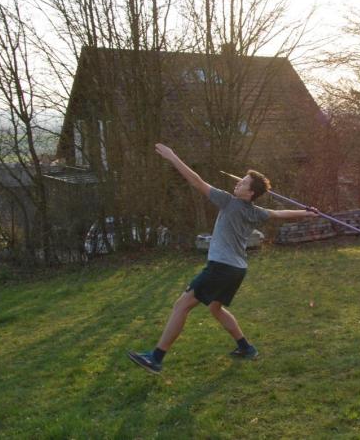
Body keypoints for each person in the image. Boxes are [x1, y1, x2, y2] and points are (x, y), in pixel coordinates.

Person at [128, 143, 317, 375]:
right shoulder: (255, 212)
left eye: (244, 182)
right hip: (238, 269)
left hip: (221, 268)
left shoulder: (229, 201)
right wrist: (306, 213)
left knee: (181, 305)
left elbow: (196, 180)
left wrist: (173, 158)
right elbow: (279, 214)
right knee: (215, 309)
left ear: (250, 193)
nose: (238, 182)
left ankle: (155, 359)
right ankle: (246, 348)